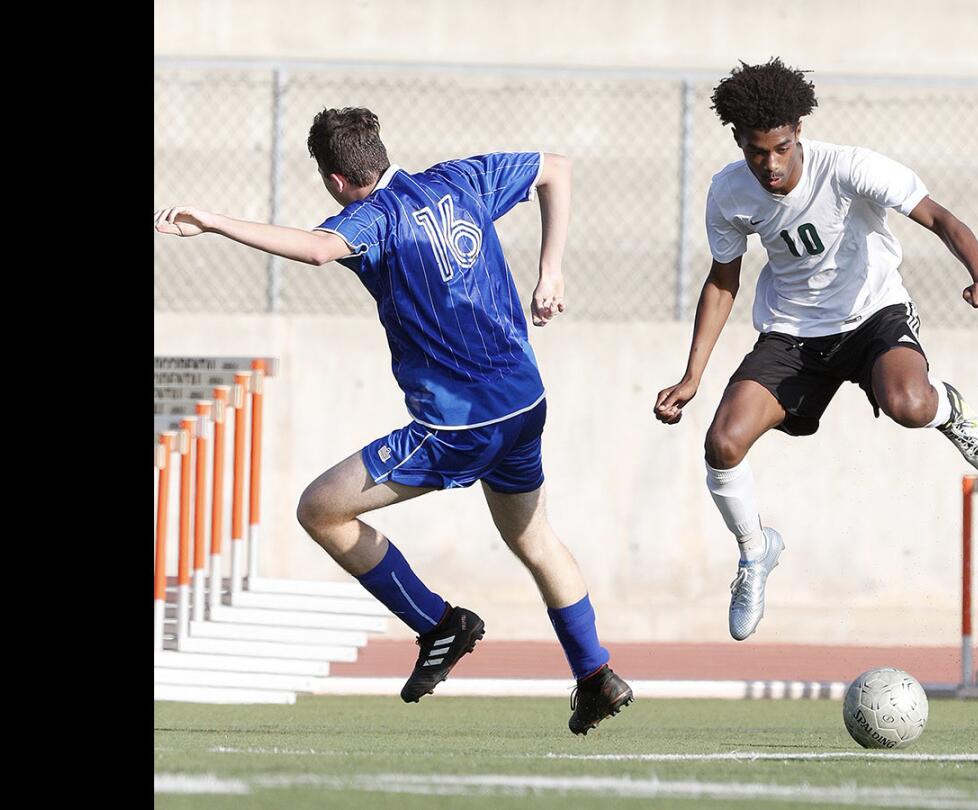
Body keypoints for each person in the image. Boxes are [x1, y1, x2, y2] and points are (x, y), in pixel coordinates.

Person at [154, 106, 632, 734]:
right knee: (535, 539)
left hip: (458, 426)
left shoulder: (372, 218)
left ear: (332, 178)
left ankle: (441, 626)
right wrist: (551, 270)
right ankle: (596, 675)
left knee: (320, 508)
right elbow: (557, 169)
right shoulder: (461, 179)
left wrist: (215, 222)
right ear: (380, 151)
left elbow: (320, 249)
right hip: (525, 404)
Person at [653, 59, 978, 642]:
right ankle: (754, 552)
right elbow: (723, 280)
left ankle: (952, 412)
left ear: (799, 130)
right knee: (722, 442)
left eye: (781, 148)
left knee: (911, 405)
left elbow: (940, 217)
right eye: (755, 151)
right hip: (792, 334)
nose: (770, 165)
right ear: (739, 141)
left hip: (872, 316)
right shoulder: (728, 191)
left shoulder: (849, 167)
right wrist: (692, 375)